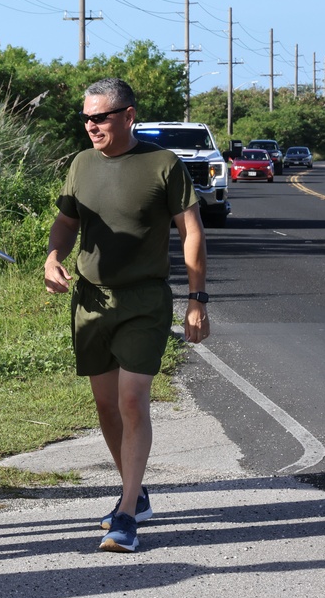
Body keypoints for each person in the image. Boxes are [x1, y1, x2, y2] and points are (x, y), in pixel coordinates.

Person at [43, 77, 210, 553]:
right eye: (86, 118)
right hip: (91, 301)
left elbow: (191, 231)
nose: (91, 125)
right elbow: (66, 222)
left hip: (143, 300)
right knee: (106, 405)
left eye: (101, 117)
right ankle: (135, 495)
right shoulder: (80, 164)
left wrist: (198, 298)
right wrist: (53, 257)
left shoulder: (163, 164)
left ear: (128, 115)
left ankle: (126, 511)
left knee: (133, 399)